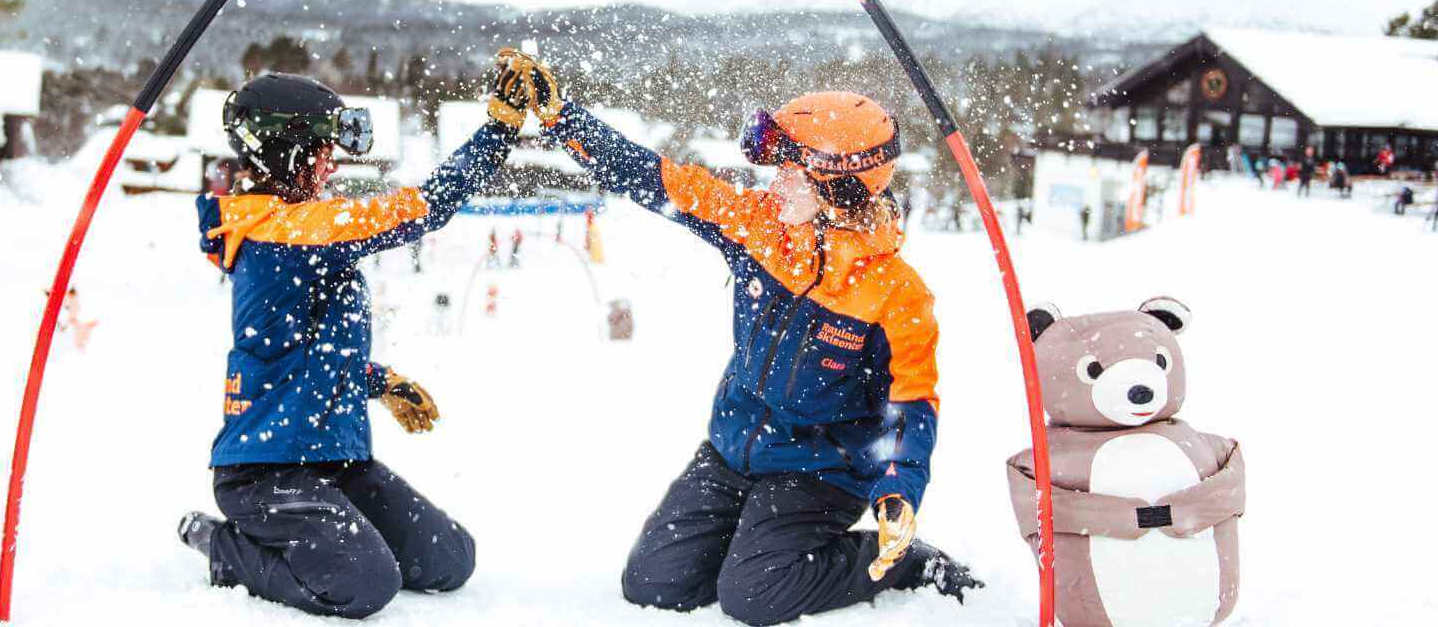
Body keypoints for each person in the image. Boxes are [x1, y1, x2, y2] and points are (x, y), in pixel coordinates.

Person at [498, 53, 980, 624]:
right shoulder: (758, 228)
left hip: (819, 471)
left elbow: (913, 402)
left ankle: (900, 564)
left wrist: (899, 486)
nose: (775, 184)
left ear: (839, 191)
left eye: (792, 174)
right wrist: (561, 119)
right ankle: (755, 537)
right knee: (655, 583)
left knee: (753, 595)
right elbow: (654, 176)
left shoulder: (897, 294)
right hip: (733, 450)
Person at [175, 57, 528, 619]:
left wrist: (380, 381)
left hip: (333, 460)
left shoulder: (299, 227)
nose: (331, 166)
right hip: (266, 471)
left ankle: (325, 529)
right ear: (287, 151)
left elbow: (301, 350)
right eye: (322, 152)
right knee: (364, 583)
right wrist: (499, 130)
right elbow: (422, 208)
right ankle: (220, 546)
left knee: (448, 559)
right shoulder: (282, 232)